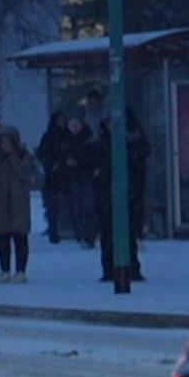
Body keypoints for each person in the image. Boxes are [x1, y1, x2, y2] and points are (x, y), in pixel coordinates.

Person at [96, 111, 150, 283]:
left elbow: (142, 156)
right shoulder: (103, 141)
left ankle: (129, 267)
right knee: (110, 232)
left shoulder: (133, 139)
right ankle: (111, 268)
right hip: (109, 192)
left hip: (127, 192)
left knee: (127, 232)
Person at [0, 127, 36, 282]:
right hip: (0, 202)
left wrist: (13, 157)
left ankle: (21, 270)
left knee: (20, 237)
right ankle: (4, 270)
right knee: (2, 237)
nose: (5, 145)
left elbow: (25, 173)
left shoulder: (23, 156)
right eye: (2, 142)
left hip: (19, 202)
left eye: (8, 142)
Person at [60, 114, 100, 248]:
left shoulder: (89, 140)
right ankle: (82, 234)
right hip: (74, 178)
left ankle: (89, 235)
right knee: (78, 209)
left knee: (88, 208)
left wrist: (78, 163)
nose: (74, 128)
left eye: (76, 125)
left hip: (87, 178)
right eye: (71, 126)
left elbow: (93, 157)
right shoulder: (67, 141)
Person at [35, 111, 72, 243]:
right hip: (53, 177)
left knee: (71, 204)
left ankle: (71, 229)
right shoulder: (49, 136)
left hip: (68, 175)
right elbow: (41, 153)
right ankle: (53, 231)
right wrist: (51, 165)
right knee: (53, 206)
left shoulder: (69, 135)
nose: (62, 122)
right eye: (60, 119)